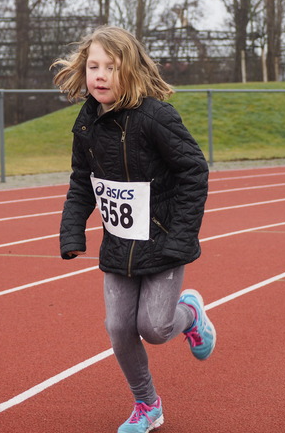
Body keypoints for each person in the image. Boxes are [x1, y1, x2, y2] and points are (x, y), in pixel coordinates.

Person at [52, 25, 216, 433]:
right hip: (119, 243)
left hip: (162, 241)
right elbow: (81, 180)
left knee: (155, 328)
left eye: (111, 66)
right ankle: (148, 405)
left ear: (132, 70)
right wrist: (73, 232)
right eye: (93, 66)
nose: (100, 75)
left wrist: (181, 236)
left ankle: (190, 313)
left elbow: (193, 171)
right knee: (120, 328)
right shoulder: (86, 123)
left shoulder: (156, 116)